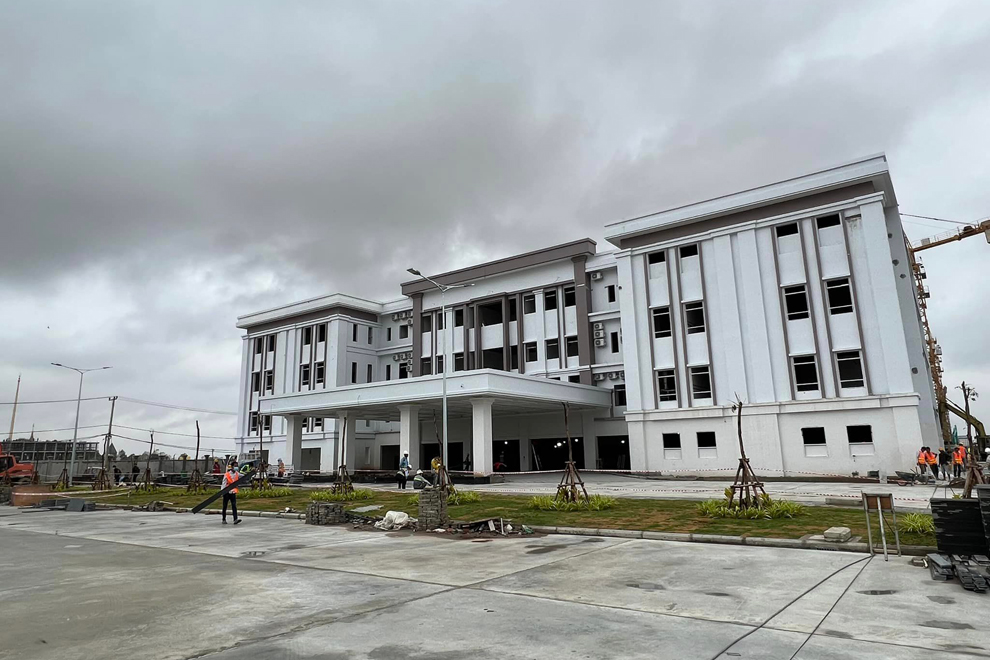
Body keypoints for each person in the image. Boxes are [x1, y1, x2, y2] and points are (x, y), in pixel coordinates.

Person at [222, 461, 241, 525]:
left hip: (233, 492)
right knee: (225, 506)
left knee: (234, 505)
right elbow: (224, 483)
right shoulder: (227, 474)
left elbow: (243, 476)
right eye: (235, 466)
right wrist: (223, 492)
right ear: (232, 467)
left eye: (237, 466)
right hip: (227, 492)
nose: (236, 467)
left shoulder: (237, 474)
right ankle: (224, 519)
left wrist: (252, 472)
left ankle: (235, 519)